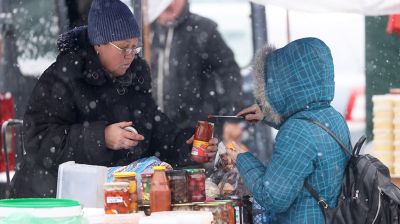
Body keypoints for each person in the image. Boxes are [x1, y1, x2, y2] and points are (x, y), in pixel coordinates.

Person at [10, 0, 217, 198]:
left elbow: (154, 130)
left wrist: (187, 147)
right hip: (53, 199)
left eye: (135, 47)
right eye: (123, 47)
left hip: (108, 197)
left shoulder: (134, 78)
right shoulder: (63, 77)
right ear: (99, 44)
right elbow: (39, 140)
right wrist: (101, 138)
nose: (130, 55)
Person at [228, 38, 351, 223]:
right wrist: (267, 115)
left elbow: (272, 198)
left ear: (284, 84)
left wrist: (241, 157)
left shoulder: (297, 132)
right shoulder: (332, 116)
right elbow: (308, 139)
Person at [150, 0, 243, 129]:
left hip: (198, 131)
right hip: (154, 129)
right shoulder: (142, 32)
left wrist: (231, 118)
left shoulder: (204, 30)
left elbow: (229, 73)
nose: (167, 3)